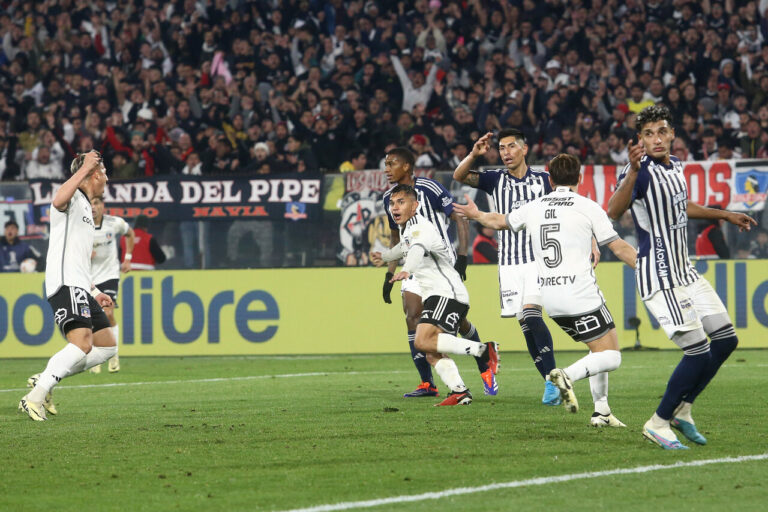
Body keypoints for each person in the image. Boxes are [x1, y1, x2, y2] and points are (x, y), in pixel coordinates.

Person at [607, 105, 756, 449]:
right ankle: (658, 422)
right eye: (648, 134)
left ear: (672, 134)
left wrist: (725, 214)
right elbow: (613, 210)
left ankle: (683, 410)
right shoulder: (638, 172)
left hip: (685, 271)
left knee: (726, 341)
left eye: (662, 131)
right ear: (640, 140)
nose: (656, 139)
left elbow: (682, 207)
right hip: (659, 275)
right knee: (698, 352)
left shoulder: (675, 166)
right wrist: (632, 171)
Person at [455, 154, 638, 427]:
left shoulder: (535, 206)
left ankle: (602, 412)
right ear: (579, 178)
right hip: (581, 294)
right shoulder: (588, 206)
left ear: (550, 180)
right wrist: (647, 269)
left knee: (597, 350)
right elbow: (619, 247)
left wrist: (476, 214)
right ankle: (565, 376)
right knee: (611, 356)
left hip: (550, 298)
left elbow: (499, 221)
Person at [454, 129, 577, 406]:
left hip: (537, 260)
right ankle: (550, 383)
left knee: (532, 317)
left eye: (511, 146)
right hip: (509, 264)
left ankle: (553, 379)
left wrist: (589, 240)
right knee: (526, 326)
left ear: (524, 149)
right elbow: (459, 176)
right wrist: (474, 154)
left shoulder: (544, 180)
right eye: (501, 148)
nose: (506, 152)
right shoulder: (495, 179)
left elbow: (572, 203)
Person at [381, 147, 498, 397]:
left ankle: (483, 362)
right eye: (386, 164)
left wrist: (462, 257)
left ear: (407, 167)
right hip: (414, 268)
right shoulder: (389, 198)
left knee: (457, 323)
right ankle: (428, 383)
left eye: (392, 164)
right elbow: (396, 238)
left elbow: (459, 218)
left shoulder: (430, 188)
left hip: (439, 264)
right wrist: (389, 274)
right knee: (413, 317)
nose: (387, 169)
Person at [20, 150, 117, 421]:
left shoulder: (86, 207)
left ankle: (47, 377)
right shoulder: (72, 197)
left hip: (81, 285)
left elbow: (78, 260)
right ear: (93, 174)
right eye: (104, 173)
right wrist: (85, 167)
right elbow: (57, 200)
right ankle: (35, 397)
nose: (107, 179)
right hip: (65, 283)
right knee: (82, 343)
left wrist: (95, 291)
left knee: (107, 345)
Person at [87, 196, 135, 374]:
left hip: (109, 275)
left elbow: (130, 234)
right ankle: (97, 356)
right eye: (90, 203)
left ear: (102, 205)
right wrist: (84, 253)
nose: (93, 207)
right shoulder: (81, 227)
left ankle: (113, 353)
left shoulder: (114, 223)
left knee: (108, 312)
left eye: (96, 203)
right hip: (88, 277)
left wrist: (128, 258)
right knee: (92, 318)